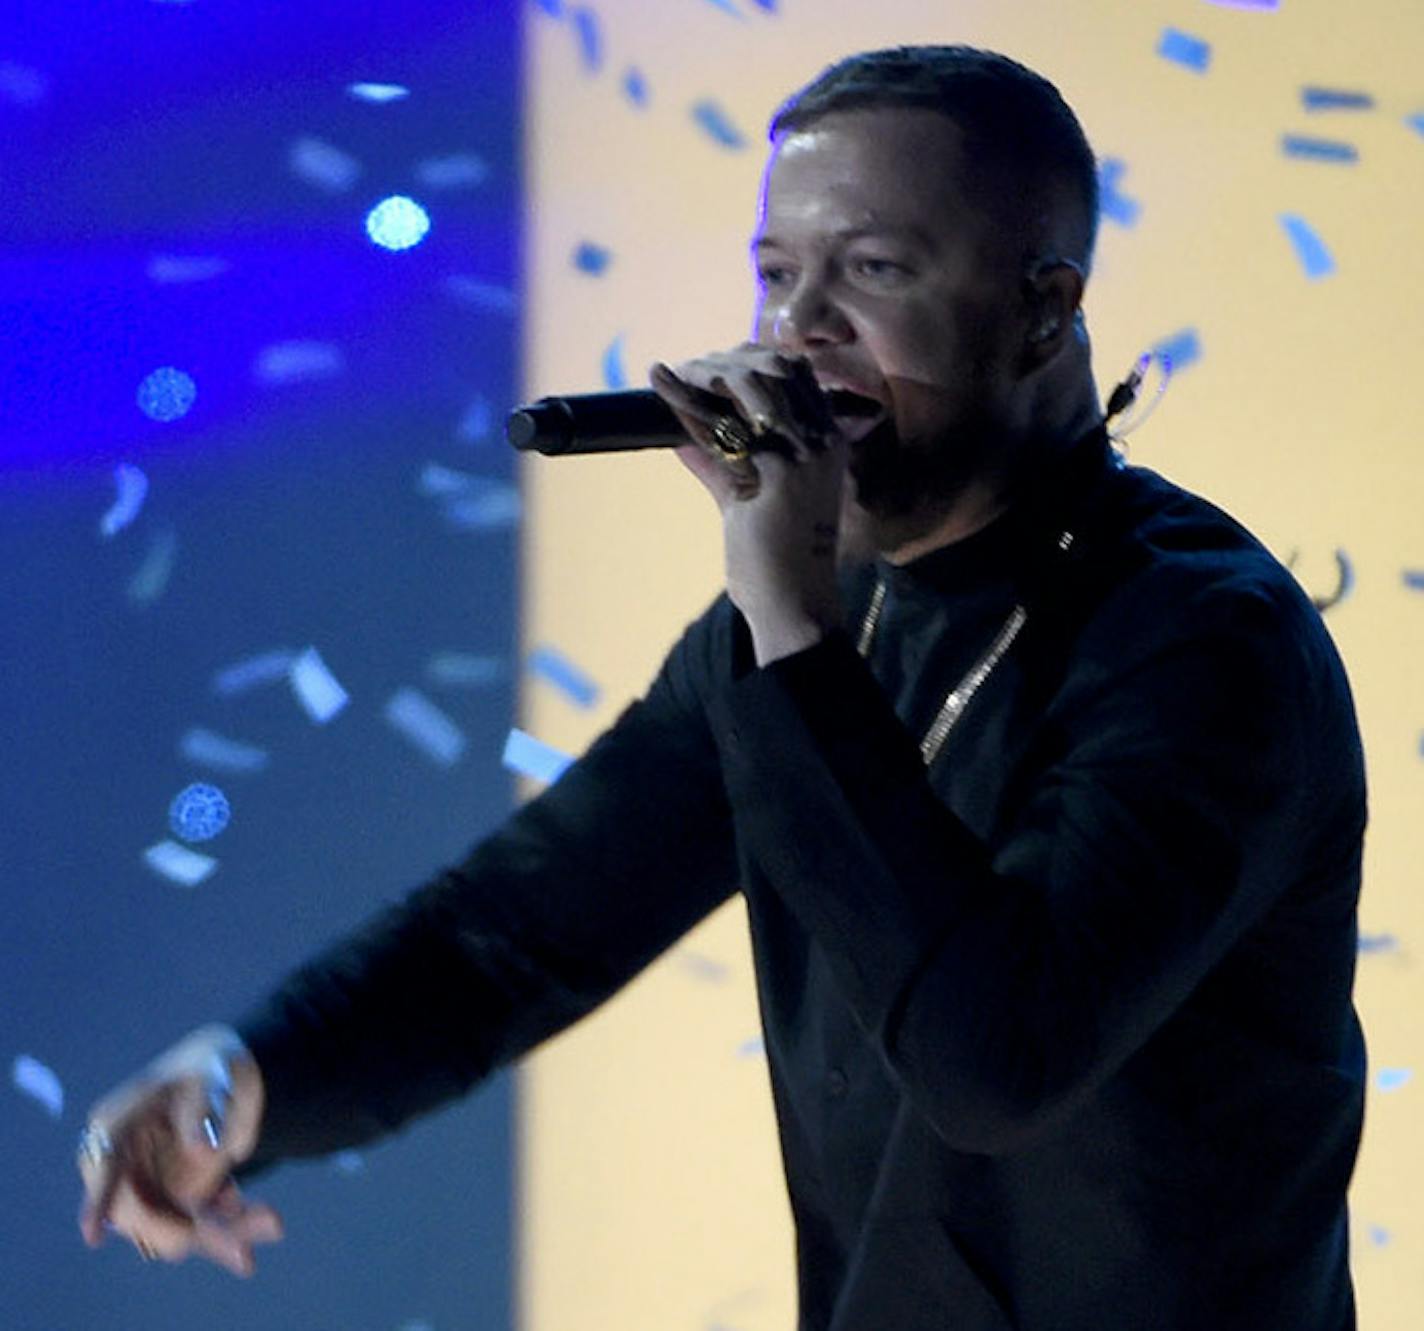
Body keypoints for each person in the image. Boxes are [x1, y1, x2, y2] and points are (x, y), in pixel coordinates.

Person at [77, 45, 1367, 1330]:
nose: (799, 333)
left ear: (1042, 308)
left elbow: (994, 1063)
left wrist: (790, 621)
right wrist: (241, 1080)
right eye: (775, 274)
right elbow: (525, 926)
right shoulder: (813, 623)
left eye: (871, 270)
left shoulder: (1201, 643)